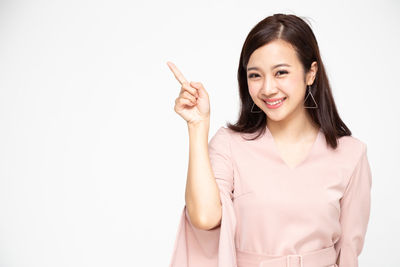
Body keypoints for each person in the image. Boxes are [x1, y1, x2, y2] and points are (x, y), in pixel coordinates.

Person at [166, 13, 372, 267]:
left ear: (311, 73)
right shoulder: (229, 145)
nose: (267, 88)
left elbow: (349, 253)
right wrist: (198, 126)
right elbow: (205, 217)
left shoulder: (351, 154)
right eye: (255, 75)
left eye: (281, 72)